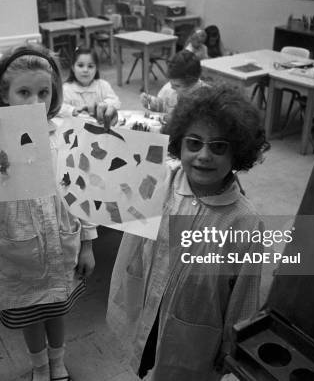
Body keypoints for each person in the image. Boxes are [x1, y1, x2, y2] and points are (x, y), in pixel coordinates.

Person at [0, 43, 117, 381]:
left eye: (43, 92)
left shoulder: (65, 132)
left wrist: (89, 243)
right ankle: (39, 366)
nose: (35, 101)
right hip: (13, 245)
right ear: (4, 94)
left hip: (60, 241)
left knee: (56, 306)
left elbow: (84, 188)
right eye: (24, 91)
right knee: (29, 311)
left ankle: (58, 361)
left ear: (54, 93)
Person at [107, 84, 270, 381]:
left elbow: (244, 296)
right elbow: (106, 180)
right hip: (149, 308)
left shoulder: (246, 222)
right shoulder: (159, 182)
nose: (204, 155)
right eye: (194, 143)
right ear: (179, 143)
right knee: (147, 363)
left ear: (239, 152)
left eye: (219, 147)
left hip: (195, 331)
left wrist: (232, 346)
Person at [139, 50, 206, 119]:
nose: (172, 87)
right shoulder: (169, 90)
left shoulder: (206, 98)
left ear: (193, 84)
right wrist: (149, 103)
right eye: (171, 82)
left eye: (177, 86)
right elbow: (162, 107)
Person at [60, 47, 121, 122]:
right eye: (80, 65)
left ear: (96, 68)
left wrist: (103, 105)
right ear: (73, 68)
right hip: (75, 128)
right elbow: (58, 108)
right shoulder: (66, 89)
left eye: (90, 66)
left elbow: (116, 102)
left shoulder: (103, 85)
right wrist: (73, 110)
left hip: (100, 127)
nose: (85, 70)